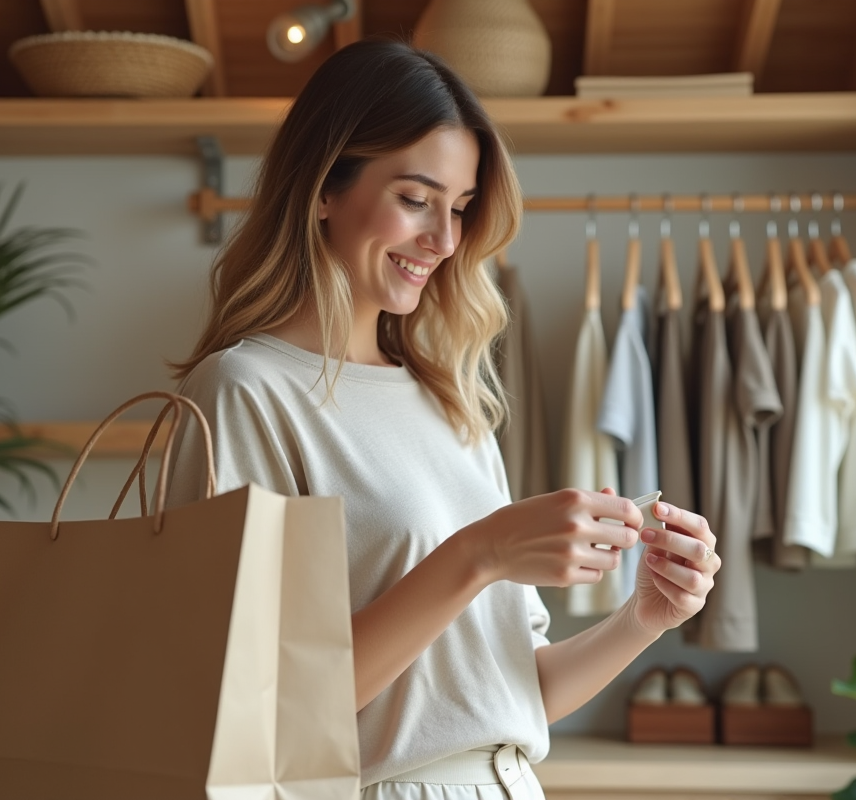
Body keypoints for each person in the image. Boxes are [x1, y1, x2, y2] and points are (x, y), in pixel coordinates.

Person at [164, 38, 720, 800]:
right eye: (415, 199)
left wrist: (644, 618)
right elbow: (264, 713)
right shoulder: (246, 392)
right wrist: (481, 553)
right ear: (324, 188)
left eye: (459, 208)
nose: (446, 240)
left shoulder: (450, 401)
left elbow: (517, 693)